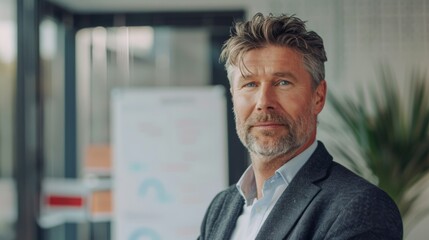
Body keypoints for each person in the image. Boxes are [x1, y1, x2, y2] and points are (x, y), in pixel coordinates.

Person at [198, 13, 403, 240]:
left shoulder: (361, 208)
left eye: (282, 83)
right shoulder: (220, 209)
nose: (264, 102)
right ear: (233, 97)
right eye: (250, 84)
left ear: (318, 97)